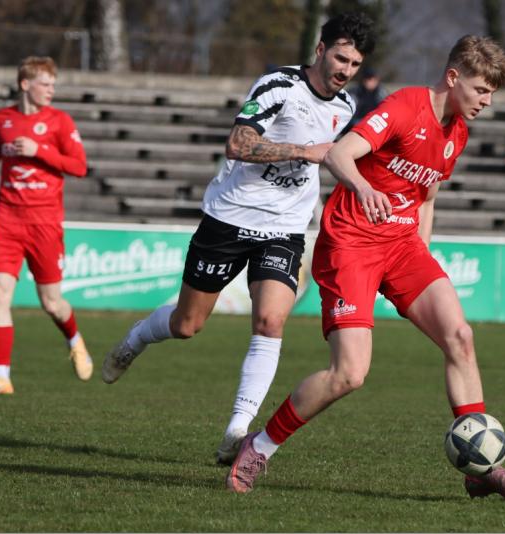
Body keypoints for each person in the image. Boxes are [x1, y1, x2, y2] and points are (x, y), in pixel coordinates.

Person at [225, 35, 505, 499]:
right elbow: (339, 153)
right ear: (453, 78)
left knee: (460, 337)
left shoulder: (458, 133)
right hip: (351, 244)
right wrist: (364, 190)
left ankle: (480, 467)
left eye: (491, 93)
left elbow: (427, 196)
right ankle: (260, 446)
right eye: (480, 90)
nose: (487, 101)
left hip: (403, 247)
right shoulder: (407, 106)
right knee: (349, 373)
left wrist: (420, 251)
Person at [101, 13, 375, 464]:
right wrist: (302, 152)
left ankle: (237, 430)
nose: (345, 70)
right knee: (187, 325)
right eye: (340, 58)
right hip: (228, 220)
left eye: (355, 64)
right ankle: (135, 340)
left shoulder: (346, 108)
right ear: (320, 50)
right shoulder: (278, 86)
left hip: (284, 228)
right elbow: (239, 143)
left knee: (270, 321)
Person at [0, 56, 93, 395]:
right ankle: (2, 376)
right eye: (45, 84)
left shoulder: (59, 122)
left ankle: (74, 339)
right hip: (7, 219)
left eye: (52, 84)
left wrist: (40, 150)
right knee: (0, 294)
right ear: (25, 84)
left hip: (45, 223)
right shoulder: (1, 120)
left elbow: (79, 167)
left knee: (51, 302)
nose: (51, 90)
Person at [345, 66, 387, 131]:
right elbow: (347, 113)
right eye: (368, 78)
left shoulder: (382, 94)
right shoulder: (354, 92)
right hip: (355, 123)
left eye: (373, 79)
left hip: (375, 123)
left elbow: (385, 112)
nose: (370, 81)